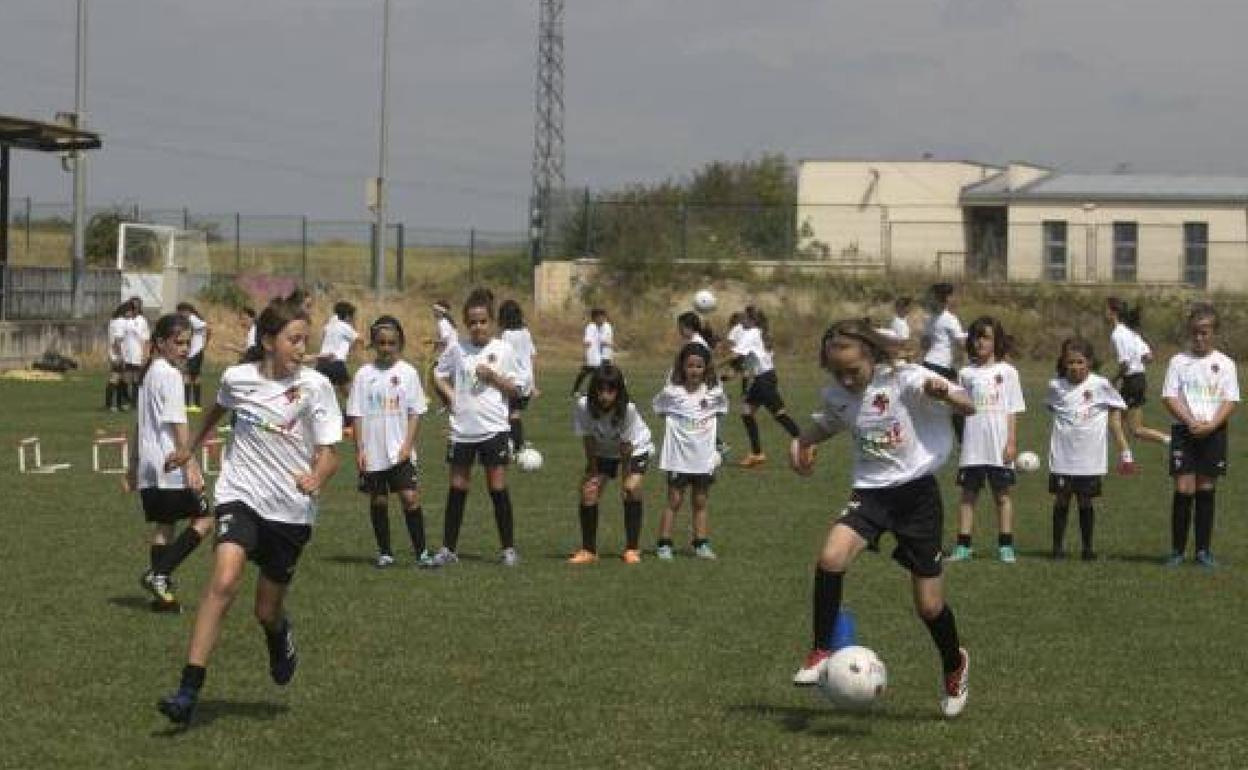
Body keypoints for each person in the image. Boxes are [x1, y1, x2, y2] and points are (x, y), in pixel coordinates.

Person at [156, 295, 343, 725]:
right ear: (269, 340)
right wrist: (190, 448)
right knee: (223, 579)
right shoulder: (238, 378)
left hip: (291, 511)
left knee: (266, 610)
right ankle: (188, 691)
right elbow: (217, 409)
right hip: (240, 495)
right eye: (294, 340)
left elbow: (331, 453)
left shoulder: (315, 386)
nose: (302, 348)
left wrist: (316, 478)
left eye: (305, 340)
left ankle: (279, 636)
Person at [788, 320, 974, 719]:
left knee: (929, 606)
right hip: (871, 494)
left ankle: (954, 664)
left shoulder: (904, 378)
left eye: (853, 370)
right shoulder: (840, 392)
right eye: (837, 372)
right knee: (831, 558)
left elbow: (967, 402)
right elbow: (830, 421)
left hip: (917, 496)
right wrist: (803, 441)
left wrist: (947, 393)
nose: (846, 379)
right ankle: (821, 649)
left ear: (872, 357)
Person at [125, 313, 213, 612]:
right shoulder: (171, 375)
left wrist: (134, 464)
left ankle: (161, 598)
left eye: (188, 343)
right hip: (170, 463)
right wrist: (191, 463)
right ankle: (159, 574)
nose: (185, 349)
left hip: (151, 465)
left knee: (165, 526)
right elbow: (178, 423)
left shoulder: (149, 374)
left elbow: (139, 424)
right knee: (205, 519)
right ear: (160, 343)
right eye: (179, 343)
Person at [430, 288, 522, 567]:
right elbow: (437, 373)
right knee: (457, 487)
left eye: (482, 321)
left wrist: (493, 377)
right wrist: (451, 396)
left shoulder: (503, 350)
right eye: (472, 322)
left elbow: (516, 390)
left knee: (497, 487)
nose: (477, 327)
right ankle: (448, 549)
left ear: (491, 322)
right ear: (466, 324)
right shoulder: (458, 348)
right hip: (462, 431)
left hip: (494, 429)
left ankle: (508, 549)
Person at [346, 316, 433, 569]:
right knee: (378, 500)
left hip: (399, 451)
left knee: (409, 497)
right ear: (374, 343)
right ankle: (385, 552)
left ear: (399, 344)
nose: (386, 347)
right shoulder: (364, 375)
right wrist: (360, 448)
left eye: (391, 343)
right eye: (381, 342)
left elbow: (416, 412)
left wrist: (407, 445)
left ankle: (422, 553)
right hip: (373, 451)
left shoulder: (408, 373)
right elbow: (357, 414)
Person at [1161, 303, 1239, 569]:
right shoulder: (1178, 362)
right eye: (1195, 332)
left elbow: (1231, 400)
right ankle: (1177, 551)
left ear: (1214, 333)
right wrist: (1191, 421)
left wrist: (1212, 424)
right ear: (1189, 332)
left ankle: (1203, 551)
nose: (1199, 337)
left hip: (1214, 431)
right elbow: (1169, 397)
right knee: (1183, 488)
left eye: (1205, 333)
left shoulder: (1225, 364)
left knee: (1206, 488)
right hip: (1184, 430)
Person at [1045, 337, 1132, 561]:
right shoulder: (1055, 386)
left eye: (1080, 362)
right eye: (1070, 362)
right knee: (1062, 499)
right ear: (1064, 363)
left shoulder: (1101, 385)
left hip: (1089, 459)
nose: (1075, 367)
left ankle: (1087, 549)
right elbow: (1052, 408)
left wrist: (1125, 452)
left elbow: (1115, 416)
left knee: (1085, 500)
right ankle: (1057, 549)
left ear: (1090, 362)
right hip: (1062, 456)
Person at [949, 316, 1025, 563]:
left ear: (996, 341)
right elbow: (959, 410)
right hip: (972, 446)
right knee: (968, 496)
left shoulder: (1008, 372)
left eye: (986, 337)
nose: (980, 342)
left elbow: (1012, 409)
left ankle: (1005, 546)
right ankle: (963, 546)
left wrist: (1011, 442)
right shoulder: (965, 373)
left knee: (1002, 496)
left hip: (998, 445)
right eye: (976, 337)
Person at [569, 364, 653, 565]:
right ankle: (588, 550)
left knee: (631, 488)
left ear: (619, 391)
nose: (604, 395)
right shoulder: (583, 405)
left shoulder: (628, 409)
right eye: (600, 389)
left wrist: (625, 478)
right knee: (588, 491)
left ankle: (632, 549)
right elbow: (588, 439)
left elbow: (626, 447)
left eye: (610, 390)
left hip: (635, 448)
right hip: (604, 450)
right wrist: (593, 470)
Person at [652, 342, 728, 560]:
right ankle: (664, 544)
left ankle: (701, 543)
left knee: (701, 501)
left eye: (699, 366)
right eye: (690, 366)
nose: (694, 370)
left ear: (706, 369)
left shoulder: (714, 394)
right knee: (674, 500)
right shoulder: (672, 393)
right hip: (678, 459)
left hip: (703, 459)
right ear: (682, 368)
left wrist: (714, 442)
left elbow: (721, 412)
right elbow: (658, 409)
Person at [731, 306, 801, 468]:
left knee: (779, 415)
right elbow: (749, 359)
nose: (742, 321)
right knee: (747, 412)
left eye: (745, 318)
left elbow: (736, 355)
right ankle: (757, 454)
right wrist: (731, 374)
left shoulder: (752, 333)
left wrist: (712, 365)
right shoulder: (758, 334)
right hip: (762, 378)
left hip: (764, 379)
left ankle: (805, 442)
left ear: (752, 320)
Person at [1106, 297, 1169, 447]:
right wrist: (1137, 361)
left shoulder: (1118, 334)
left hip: (1132, 381)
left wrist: (1113, 380)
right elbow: (1149, 357)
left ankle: (1171, 441)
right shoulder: (1132, 334)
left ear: (1113, 313)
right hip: (1140, 380)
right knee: (1119, 422)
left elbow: (1125, 364)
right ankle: (1119, 454)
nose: (1104, 313)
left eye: (1106, 309)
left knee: (1132, 428)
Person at [921, 283, 967, 441]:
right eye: (953, 295)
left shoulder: (930, 318)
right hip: (942, 366)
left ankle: (925, 436)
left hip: (928, 364)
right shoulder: (950, 319)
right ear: (948, 298)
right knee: (959, 402)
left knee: (930, 404)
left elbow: (924, 344)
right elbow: (961, 343)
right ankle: (963, 439)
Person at [499, 299, 539, 454]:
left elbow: (503, 357)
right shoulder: (525, 332)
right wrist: (533, 384)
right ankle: (516, 442)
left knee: (509, 412)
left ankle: (516, 444)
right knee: (514, 412)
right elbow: (533, 355)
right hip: (527, 379)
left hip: (513, 380)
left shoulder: (506, 335)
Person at [316, 301, 359, 399]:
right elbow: (358, 340)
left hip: (321, 362)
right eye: (353, 317)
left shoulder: (330, 325)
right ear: (348, 316)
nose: (354, 319)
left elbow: (323, 336)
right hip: (336, 363)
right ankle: (356, 413)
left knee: (320, 394)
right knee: (350, 396)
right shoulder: (345, 326)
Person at [176, 302, 211, 413]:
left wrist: (204, 344)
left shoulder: (192, 319)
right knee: (193, 376)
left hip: (195, 352)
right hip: (192, 352)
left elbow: (208, 328)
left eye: (181, 312)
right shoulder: (190, 320)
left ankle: (190, 404)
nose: (180, 314)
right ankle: (194, 404)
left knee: (188, 376)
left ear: (186, 311)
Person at [106, 301, 133, 411]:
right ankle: (112, 405)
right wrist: (120, 356)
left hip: (113, 353)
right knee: (115, 378)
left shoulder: (113, 321)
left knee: (121, 379)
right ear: (126, 311)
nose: (132, 315)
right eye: (131, 311)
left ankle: (119, 403)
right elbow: (117, 341)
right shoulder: (121, 322)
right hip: (118, 354)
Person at [122, 297, 150, 405]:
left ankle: (135, 400)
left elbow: (146, 339)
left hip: (138, 352)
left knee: (136, 378)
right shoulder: (126, 321)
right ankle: (125, 399)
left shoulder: (142, 321)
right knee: (126, 377)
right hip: (127, 353)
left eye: (136, 307)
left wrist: (145, 354)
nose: (134, 309)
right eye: (132, 307)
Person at [570, 308, 604, 396]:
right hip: (592, 356)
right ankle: (578, 391)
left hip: (596, 356)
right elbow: (587, 341)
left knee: (586, 373)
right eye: (601, 317)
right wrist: (585, 354)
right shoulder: (591, 327)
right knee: (593, 374)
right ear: (596, 317)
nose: (603, 319)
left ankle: (576, 391)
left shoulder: (597, 328)